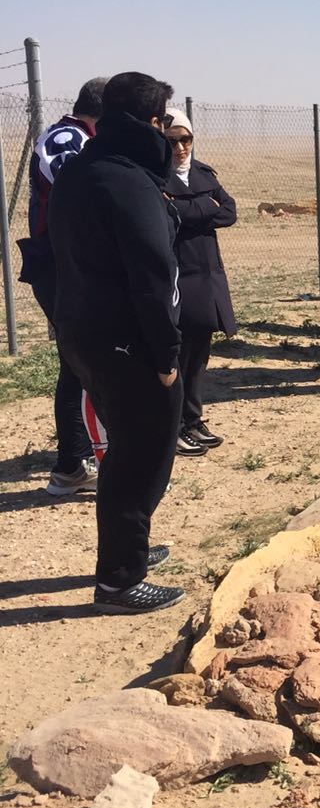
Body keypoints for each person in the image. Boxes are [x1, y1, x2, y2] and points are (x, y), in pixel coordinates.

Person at [49, 71, 186, 613]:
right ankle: (119, 582)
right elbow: (153, 278)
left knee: (126, 451)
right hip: (129, 344)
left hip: (83, 333)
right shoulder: (129, 182)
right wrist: (166, 355)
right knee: (141, 455)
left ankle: (130, 547)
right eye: (164, 121)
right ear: (150, 122)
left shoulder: (82, 170)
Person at [17, 75, 107, 498]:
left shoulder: (82, 137)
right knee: (78, 360)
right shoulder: (66, 137)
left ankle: (76, 458)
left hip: (69, 264)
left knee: (80, 360)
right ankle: (72, 463)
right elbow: (79, 185)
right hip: (59, 265)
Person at [163, 108, 236, 453]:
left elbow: (230, 211)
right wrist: (206, 207)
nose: (180, 147)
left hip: (207, 275)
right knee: (177, 356)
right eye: (172, 141)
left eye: (186, 139)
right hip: (180, 276)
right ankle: (173, 427)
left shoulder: (203, 173)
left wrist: (187, 209)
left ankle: (192, 419)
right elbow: (168, 215)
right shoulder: (156, 177)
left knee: (199, 355)